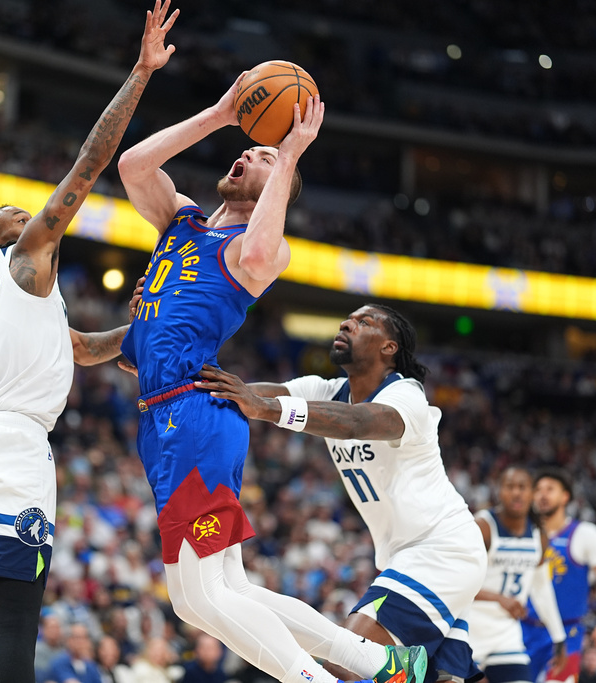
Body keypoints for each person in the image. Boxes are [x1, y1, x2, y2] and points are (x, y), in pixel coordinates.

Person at [116, 66, 422, 683]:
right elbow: (133, 166)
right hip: (163, 419)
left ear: (273, 185)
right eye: (246, 148)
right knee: (210, 594)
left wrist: (287, 154)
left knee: (204, 595)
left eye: (258, 156)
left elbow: (260, 252)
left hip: (194, 417)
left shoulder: (255, 252)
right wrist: (221, 112)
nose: (245, 154)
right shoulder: (183, 221)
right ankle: (378, 663)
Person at [0, 4, 178, 683]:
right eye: (14, 216)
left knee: (14, 612)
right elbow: (92, 159)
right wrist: (140, 74)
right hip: (11, 446)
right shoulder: (21, 260)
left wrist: (139, 333)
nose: (31, 215)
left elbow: (74, 347)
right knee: (20, 616)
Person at [193, 303, 488, 683]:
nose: (347, 323)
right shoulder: (328, 390)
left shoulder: (407, 396)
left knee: (349, 660)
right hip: (409, 555)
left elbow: (356, 423)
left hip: (441, 550)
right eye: (348, 318)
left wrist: (265, 408)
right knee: (439, 677)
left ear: (389, 348)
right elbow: (244, 394)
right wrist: (175, 380)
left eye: (364, 322)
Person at [520, 467, 596, 683]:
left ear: (565, 496)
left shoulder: (585, 533)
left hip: (568, 633)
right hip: (523, 628)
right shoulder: (523, 532)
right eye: (538, 489)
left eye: (550, 489)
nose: (543, 494)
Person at [466, 466, 567, 683]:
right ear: (499, 491)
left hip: (505, 634)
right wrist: (498, 598)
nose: (517, 493)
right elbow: (455, 583)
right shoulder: (482, 526)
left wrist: (559, 637)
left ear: (531, 493)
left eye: (522, 487)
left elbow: (541, 589)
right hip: (467, 629)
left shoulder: (538, 535)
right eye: (510, 486)